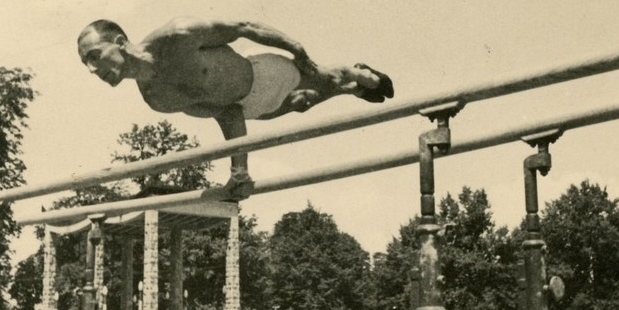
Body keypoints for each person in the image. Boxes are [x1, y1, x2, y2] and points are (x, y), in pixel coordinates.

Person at [77, 17, 394, 200]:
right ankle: (350, 89)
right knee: (302, 104)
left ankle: (351, 74)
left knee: (321, 77)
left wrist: (296, 49)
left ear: (119, 41)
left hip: (262, 72)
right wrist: (239, 171)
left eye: (93, 56)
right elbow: (225, 112)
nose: (93, 71)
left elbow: (244, 26)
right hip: (248, 108)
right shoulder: (156, 99)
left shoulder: (176, 37)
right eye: (85, 64)